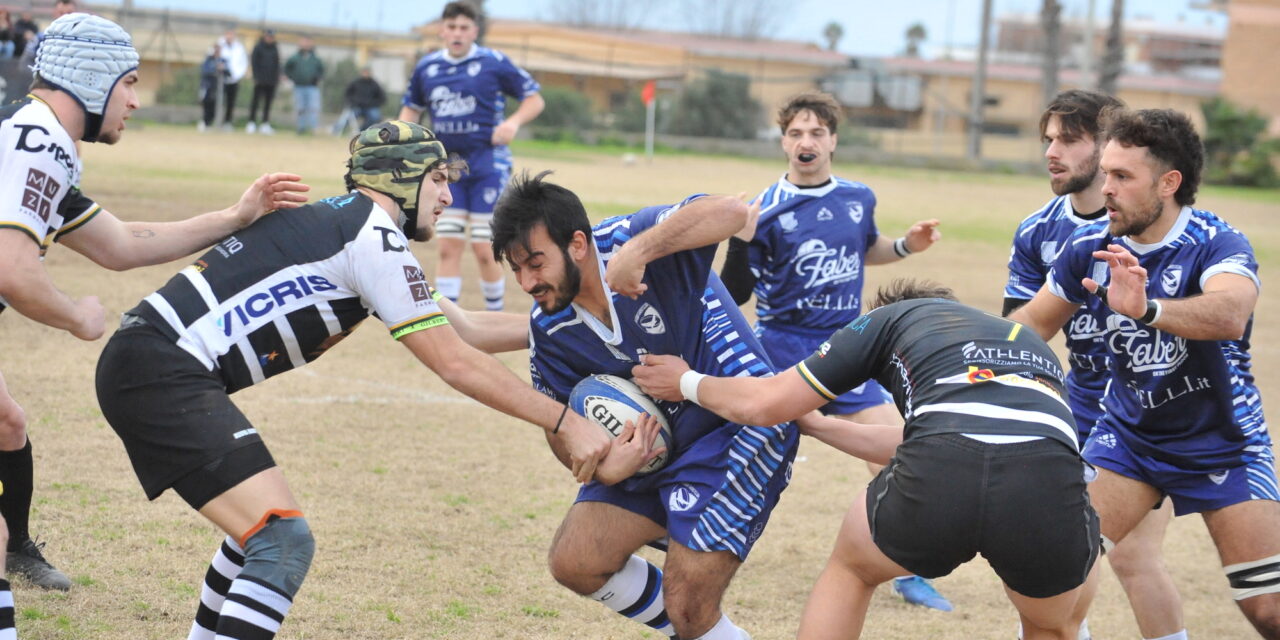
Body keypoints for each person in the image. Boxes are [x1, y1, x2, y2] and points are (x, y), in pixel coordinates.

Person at [94, 122, 614, 640]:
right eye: (436, 179)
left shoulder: (355, 227)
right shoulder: (373, 239)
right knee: (283, 541)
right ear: (399, 177)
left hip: (147, 362)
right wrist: (565, 421)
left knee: (253, 532)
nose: (448, 195)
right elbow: (453, 361)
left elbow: (467, 330)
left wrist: (577, 325)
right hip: (159, 370)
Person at [0, 13, 311, 593]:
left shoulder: (36, 138)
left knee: (6, 422)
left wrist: (234, 217)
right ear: (92, 79)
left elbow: (118, 245)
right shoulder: (37, 141)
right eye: (130, 82)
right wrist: (76, 316)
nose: (135, 101)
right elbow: (13, 271)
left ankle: (16, 548)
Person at [633, 279, 1100, 640]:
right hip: (1048, 478)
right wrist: (822, 425)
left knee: (853, 570)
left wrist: (687, 382)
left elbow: (765, 402)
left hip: (943, 472)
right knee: (1050, 624)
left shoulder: (887, 320)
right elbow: (952, 435)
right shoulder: (1025, 342)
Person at [489, 171, 798, 640]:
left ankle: (693, 621)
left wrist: (639, 252)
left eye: (536, 262)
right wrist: (606, 466)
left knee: (689, 607)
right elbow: (561, 430)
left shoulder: (628, 239)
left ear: (577, 244)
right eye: (517, 269)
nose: (528, 281)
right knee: (576, 562)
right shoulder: (550, 327)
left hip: (738, 429)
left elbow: (730, 212)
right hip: (658, 451)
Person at [1009, 108, 1280, 637]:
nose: (1105, 188)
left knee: (1267, 609)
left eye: (1122, 177)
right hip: (1128, 440)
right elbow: (1029, 326)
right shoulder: (1088, 248)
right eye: (1106, 172)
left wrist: (1147, 308)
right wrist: (952, 345)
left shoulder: (1217, 242)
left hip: (1222, 439)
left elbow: (1230, 314)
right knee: (1049, 575)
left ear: (1168, 183)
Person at [718, 90, 949, 612]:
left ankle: (908, 571)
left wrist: (908, 246)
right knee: (741, 457)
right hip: (781, 352)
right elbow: (734, 294)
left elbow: (865, 249)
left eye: (816, 133)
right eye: (796, 133)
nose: (806, 141)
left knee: (898, 452)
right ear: (783, 142)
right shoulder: (764, 210)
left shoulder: (858, 196)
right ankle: (688, 537)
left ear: (833, 141)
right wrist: (740, 239)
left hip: (849, 351)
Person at [1005, 90, 1185, 640]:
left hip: (1144, 415)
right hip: (1076, 411)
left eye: (1069, 139)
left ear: (1110, 149)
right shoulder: (1038, 230)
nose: (1052, 152)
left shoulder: (1157, 224)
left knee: (1130, 558)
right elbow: (1019, 327)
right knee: (1049, 558)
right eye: (1048, 140)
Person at [399, 1, 545, 312]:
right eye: (451, 27)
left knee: (483, 248)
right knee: (448, 246)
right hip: (448, 169)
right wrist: (403, 141)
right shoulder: (428, 68)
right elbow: (411, 109)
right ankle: (451, 322)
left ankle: (494, 315)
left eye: (464, 28)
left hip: (487, 166)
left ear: (474, 31)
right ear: (442, 30)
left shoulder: (492, 62)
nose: (457, 33)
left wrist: (512, 123)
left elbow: (534, 99)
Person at [283, 37, 323, 135]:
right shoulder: (295, 58)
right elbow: (287, 68)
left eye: (307, 43)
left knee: (313, 108)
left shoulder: (315, 58)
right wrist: (292, 77)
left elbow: (321, 70)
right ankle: (301, 128)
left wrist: (318, 79)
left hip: (312, 87)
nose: (305, 45)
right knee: (300, 108)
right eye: (303, 43)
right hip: (299, 86)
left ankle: (313, 129)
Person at [246, 29, 280, 135]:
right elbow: (254, 62)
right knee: (255, 102)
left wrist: (276, 78)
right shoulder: (258, 47)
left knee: (268, 104)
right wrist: (256, 77)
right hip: (259, 80)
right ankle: (251, 122)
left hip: (271, 81)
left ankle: (265, 123)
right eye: (268, 36)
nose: (269, 38)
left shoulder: (275, 48)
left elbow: (277, 64)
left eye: (271, 36)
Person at [216, 29, 248, 131]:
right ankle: (213, 121)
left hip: (234, 78)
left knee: (231, 102)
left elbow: (243, 63)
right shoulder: (219, 45)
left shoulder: (239, 47)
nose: (229, 37)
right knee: (217, 100)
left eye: (231, 35)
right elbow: (213, 57)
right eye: (228, 34)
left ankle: (227, 122)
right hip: (220, 78)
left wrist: (237, 75)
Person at [339, 67, 385, 133]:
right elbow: (347, 94)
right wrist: (351, 102)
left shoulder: (374, 84)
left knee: (375, 116)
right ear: (361, 73)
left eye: (367, 72)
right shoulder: (355, 82)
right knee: (347, 116)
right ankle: (336, 130)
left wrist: (373, 104)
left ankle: (362, 131)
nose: (365, 74)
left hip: (370, 107)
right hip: (356, 106)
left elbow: (382, 98)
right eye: (364, 72)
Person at [197, 42, 227, 133]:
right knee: (207, 105)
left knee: (216, 106)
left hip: (218, 88)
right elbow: (205, 71)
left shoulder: (222, 60)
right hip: (208, 87)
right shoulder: (208, 60)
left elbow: (228, 72)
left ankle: (213, 123)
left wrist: (223, 69)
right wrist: (215, 68)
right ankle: (205, 122)